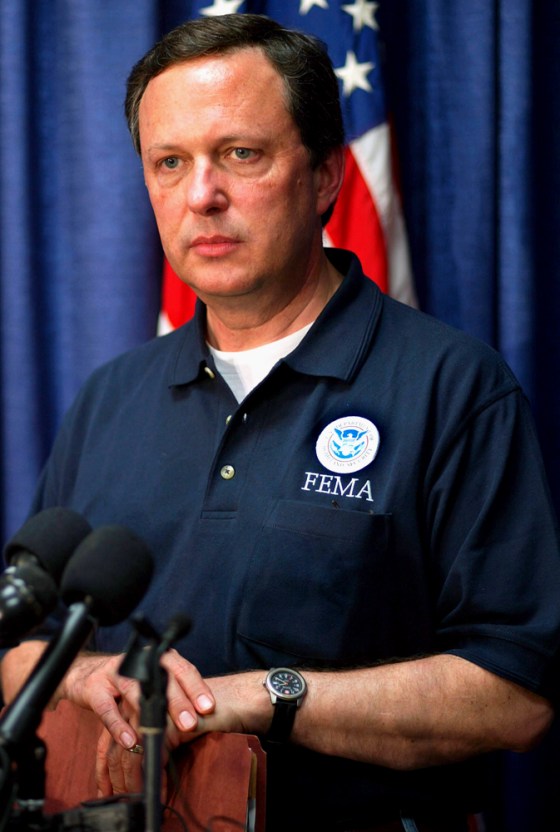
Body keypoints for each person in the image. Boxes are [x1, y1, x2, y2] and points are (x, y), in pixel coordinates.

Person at [2, 13, 560, 832]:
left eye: (241, 154)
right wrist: (73, 674)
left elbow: (518, 695)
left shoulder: (452, 387)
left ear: (327, 173)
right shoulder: (109, 398)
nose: (202, 195)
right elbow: (19, 647)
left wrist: (271, 695)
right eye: (170, 162)